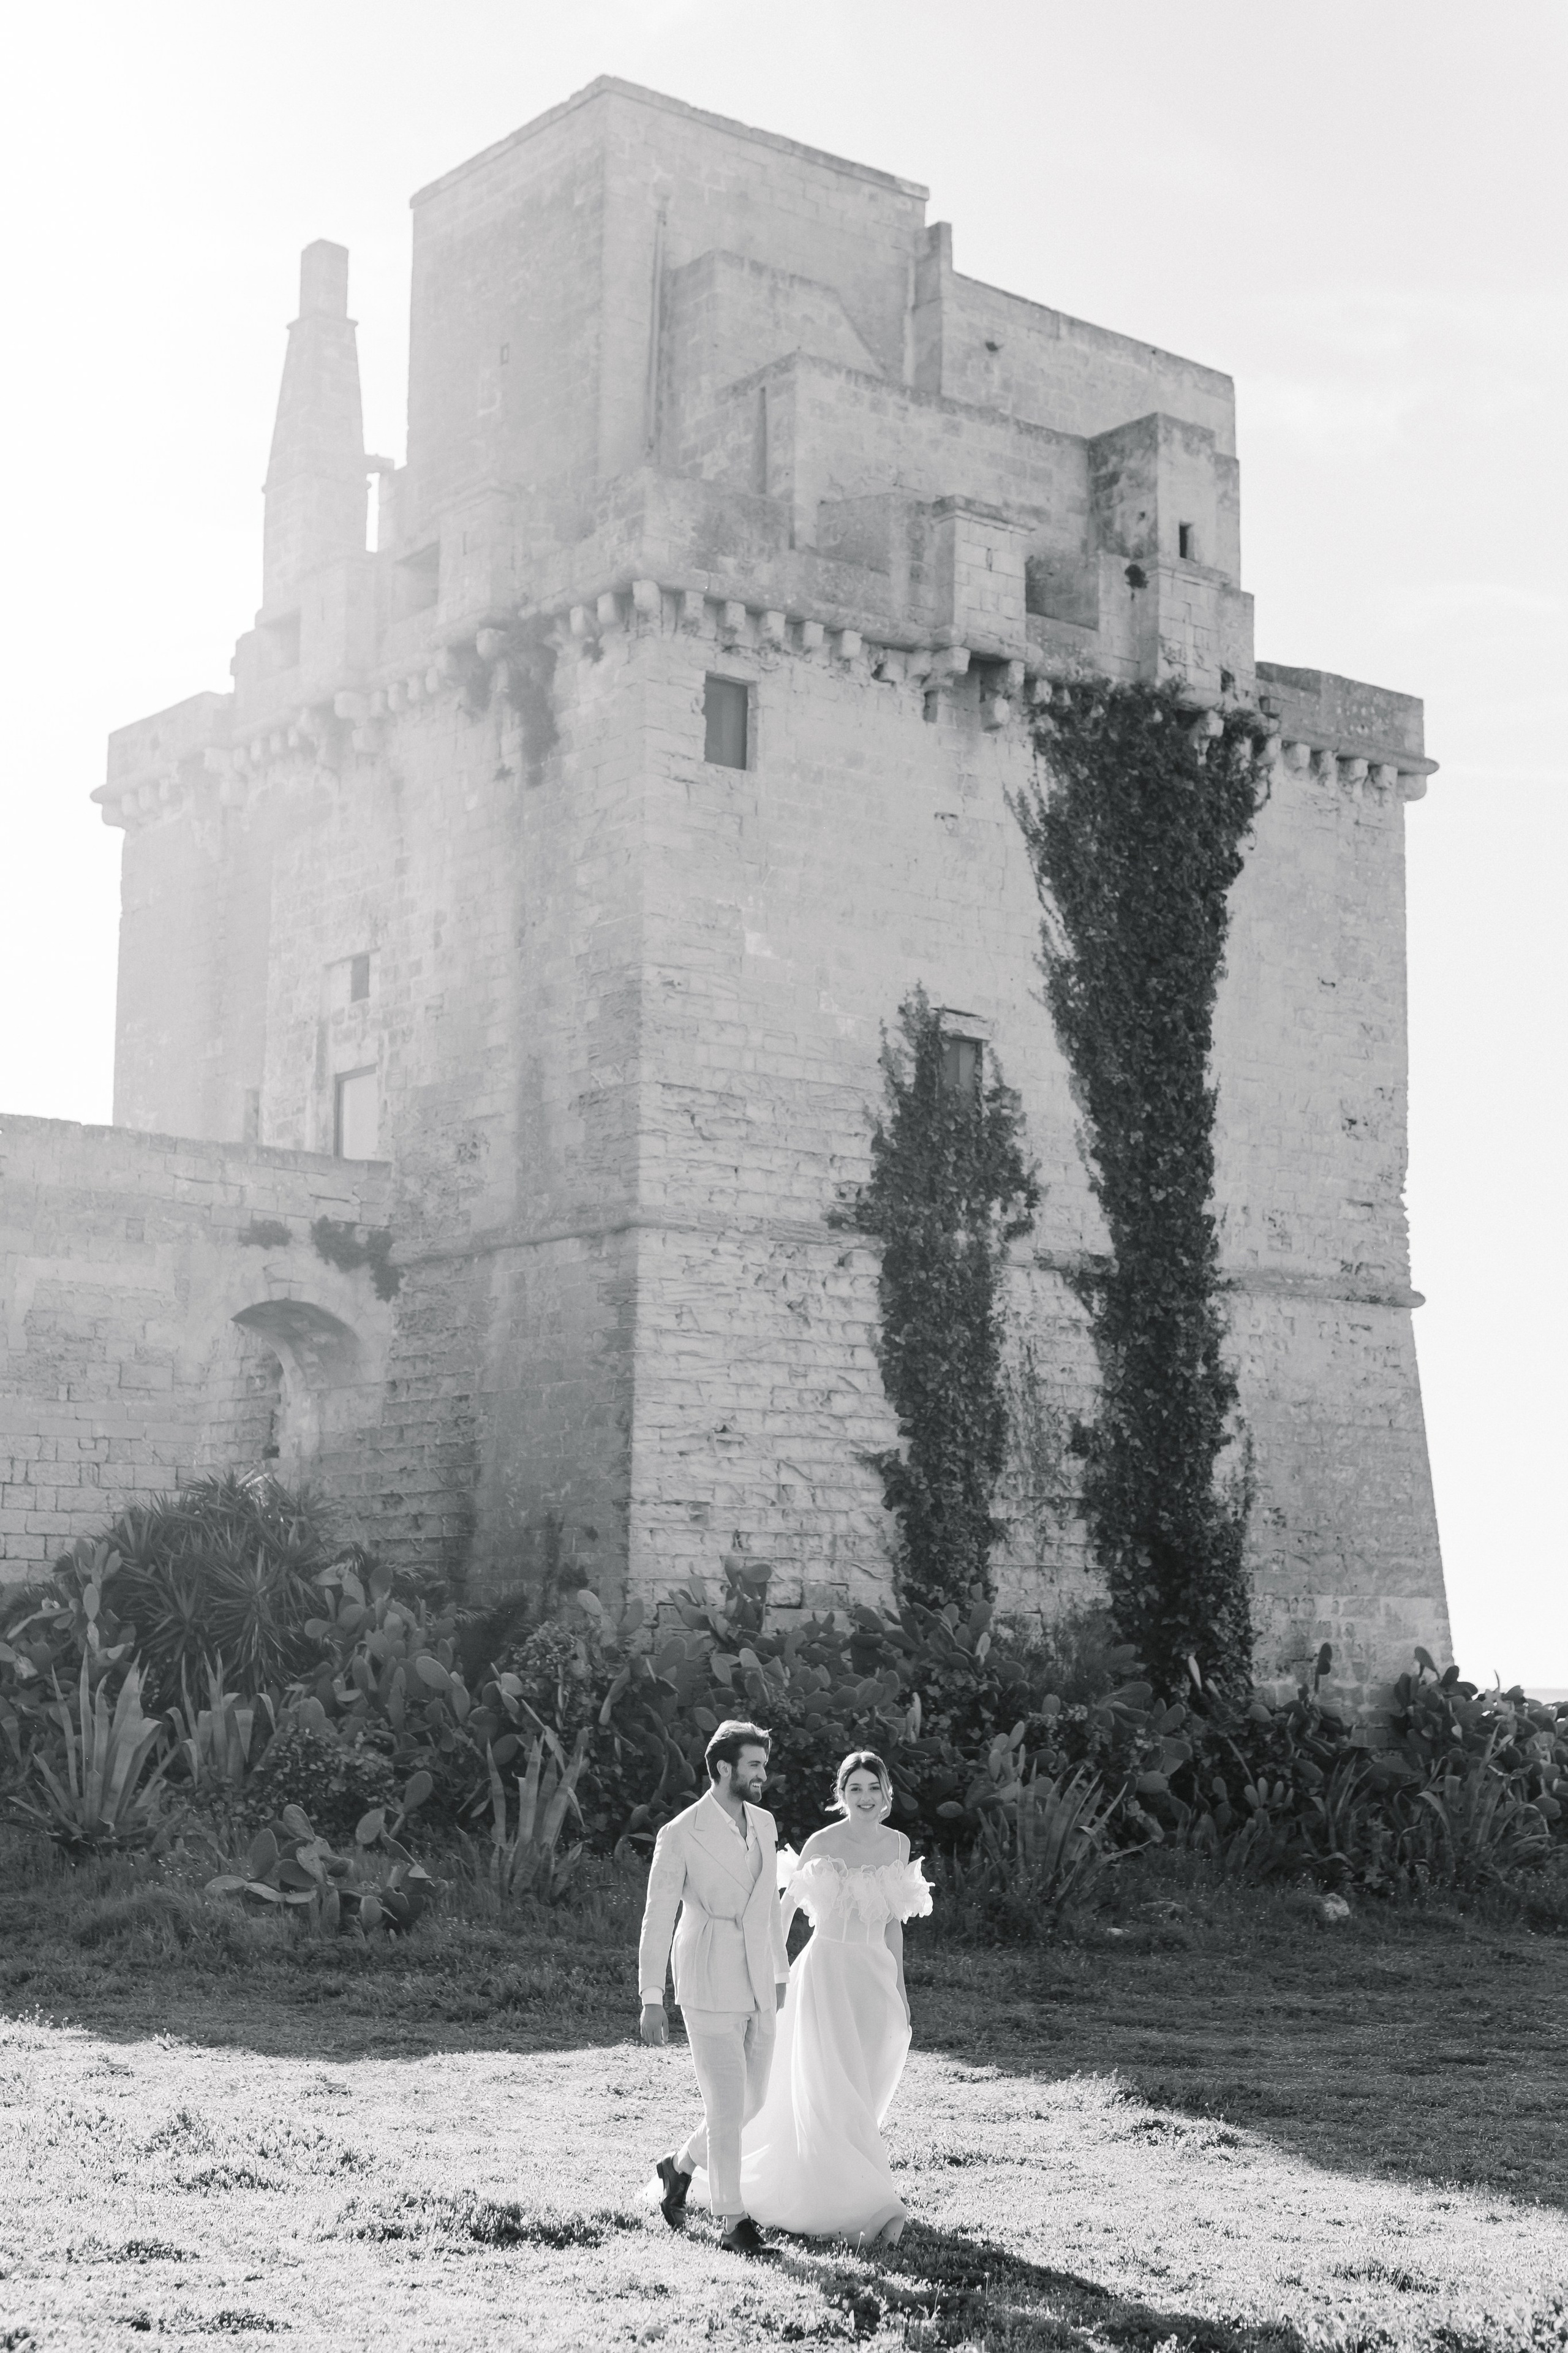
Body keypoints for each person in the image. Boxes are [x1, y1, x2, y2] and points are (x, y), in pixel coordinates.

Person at [698, 1748, 933, 2245]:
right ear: (841, 1795)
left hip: (875, 1977)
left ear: (885, 1792)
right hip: (826, 1972)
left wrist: (901, 1988)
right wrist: (771, 1978)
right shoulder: (822, 1843)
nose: (865, 1798)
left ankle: (843, 2179)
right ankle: (866, 2201)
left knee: (864, 2083)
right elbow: (783, 1914)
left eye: (873, 1788)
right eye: (855, 1789)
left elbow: (894, 1924)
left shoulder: (898, 1844)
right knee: (833, 2084)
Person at [637, 1719, 789, 2259]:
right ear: (724, 1768)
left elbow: (769, 1903)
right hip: (705, 1976)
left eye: (763, 1765)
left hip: (759, 1978)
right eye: (754, 1765)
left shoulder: (765, 1822)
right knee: (726, 2106)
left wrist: (781, 1973)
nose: (762, 1775)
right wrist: (651, 1995)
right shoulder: (680, 1832)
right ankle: (733, 2220)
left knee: (754, 2100)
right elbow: (658, 1916)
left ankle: (677, 2168)